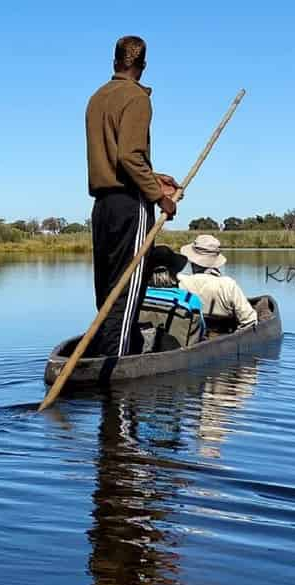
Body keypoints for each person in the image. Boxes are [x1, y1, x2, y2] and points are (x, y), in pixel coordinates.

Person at [85, 35, 182, 357]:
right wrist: (159, 196)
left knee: (107, 291)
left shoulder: (98, 97)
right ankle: (119, 365)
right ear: (143, 66)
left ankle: (106, 354)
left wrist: (154, 176)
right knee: (127, 292)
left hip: (103, 206)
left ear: (114, 62)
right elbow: (129, 156)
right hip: (130, 205)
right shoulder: (137, 98)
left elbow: (116, 159)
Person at [154, 236, 258, 328]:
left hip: (191, 336)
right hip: (223, 334)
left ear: (192, 260)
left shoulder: (180, 281)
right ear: (216, 261)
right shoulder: (228, 285)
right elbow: (249, 320)